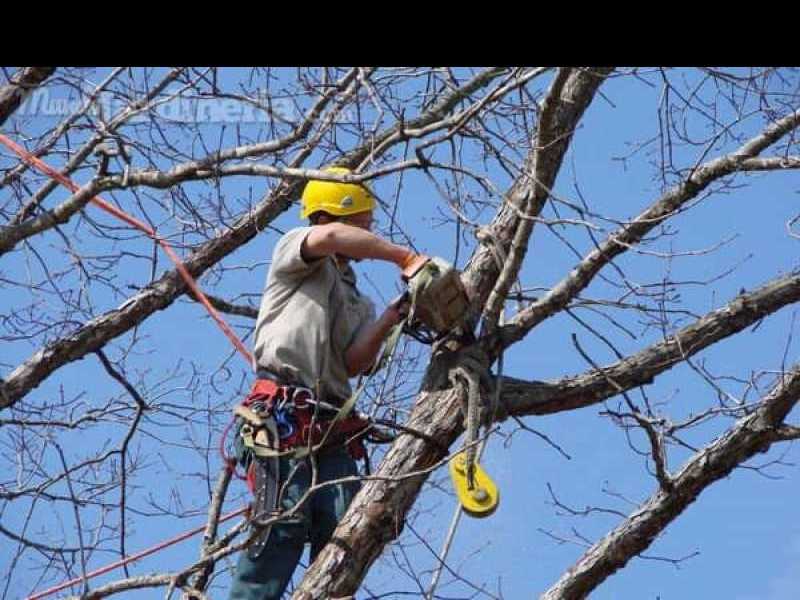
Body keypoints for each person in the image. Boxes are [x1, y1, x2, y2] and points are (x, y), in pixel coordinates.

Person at [228, 167, 426, 600]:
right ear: (335, 214)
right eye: (364, 222)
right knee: (281, 525)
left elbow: (354, 362)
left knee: (344, 536)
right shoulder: (295, 251)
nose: (370, 230)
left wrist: (394, 314)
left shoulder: (357, 299)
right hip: (280, 417)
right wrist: (404, 258)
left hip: (331, 431)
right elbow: (332, 238)